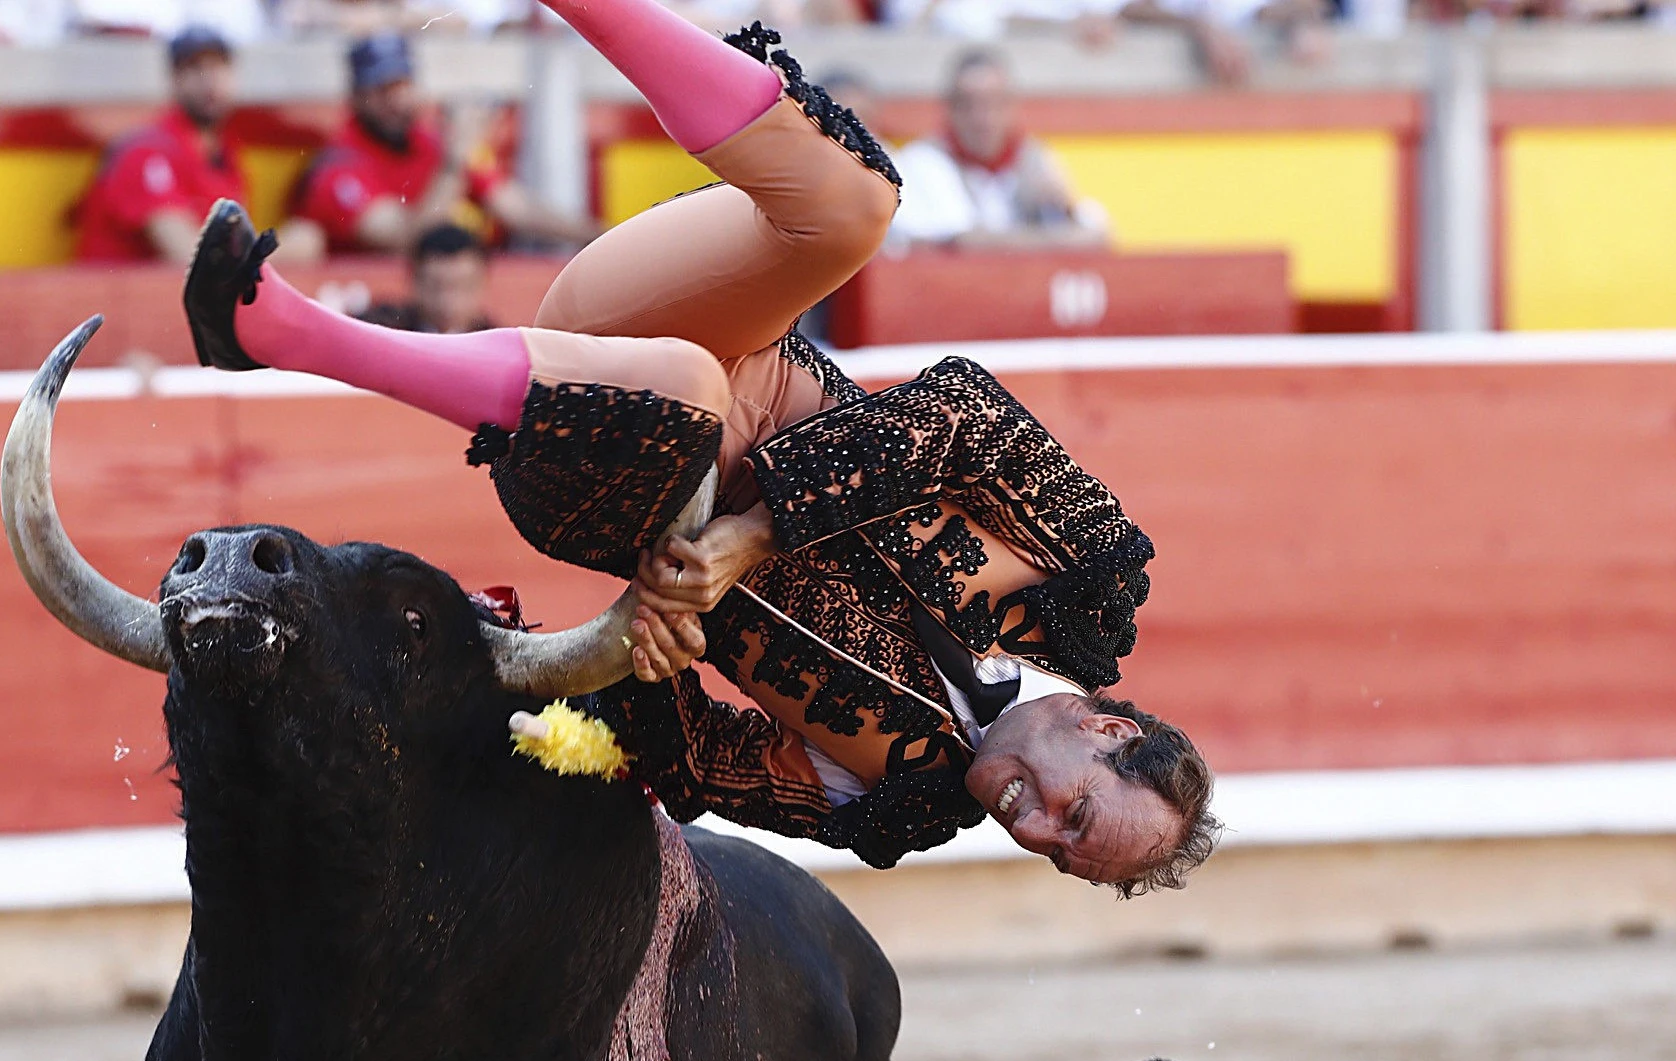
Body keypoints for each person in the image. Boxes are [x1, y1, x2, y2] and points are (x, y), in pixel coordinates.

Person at [183, 13, 1217, 893]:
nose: (1032, 832)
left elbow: (692, 764)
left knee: (685, 394)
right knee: (852, 205)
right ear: (1110, 731)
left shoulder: (892, 802)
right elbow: (959, 411)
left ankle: (279, 333)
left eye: (1058, 856)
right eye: (1076, 816)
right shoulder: (1089, 577)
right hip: (704, 335)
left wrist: (656, 657)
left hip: (599, 477)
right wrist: (755, 536)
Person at [284, 33, 599, 257]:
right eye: (381, 90)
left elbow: (515, 208)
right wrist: (454, 162)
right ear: (355, 97)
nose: (396, 101)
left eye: (403, 85)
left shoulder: (430, 141)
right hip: (369, 314)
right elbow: (408, 239)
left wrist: (601, 235)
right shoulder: (338, 167)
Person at [75, 25, 290, 263]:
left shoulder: (227, 154)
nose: (210, 81)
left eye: (219, 67)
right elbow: (190, 255)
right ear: (174, 78)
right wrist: (284, 252)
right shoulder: (144, 151)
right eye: (195, 69)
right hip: (111, 297)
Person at [889, 49, 1108, 251]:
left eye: (995, 104)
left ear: (1012, 106)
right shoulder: (922, 161)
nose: (984, 119)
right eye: (969, 105)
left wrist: (1066, 211)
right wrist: (1054, 240)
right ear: (950, 108)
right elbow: (965, 243)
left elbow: (1096, 235)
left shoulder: (1034, 156)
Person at [358, 223, 496, 334]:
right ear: (413, 278)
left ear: (482, 282)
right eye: (436, 287)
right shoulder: (382, 330)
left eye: (462, 287)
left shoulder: (498, 345)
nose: (447, 303)